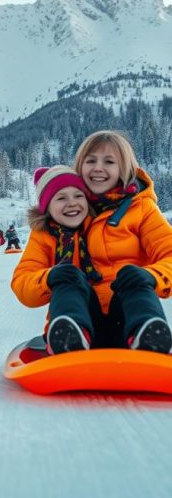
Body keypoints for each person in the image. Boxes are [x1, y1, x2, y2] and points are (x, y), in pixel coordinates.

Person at [72, 130, 172, 354]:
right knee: (72, 280)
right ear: (79, 166)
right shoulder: (66, 211)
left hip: (128, 316)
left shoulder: (143, 209)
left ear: (124, 169)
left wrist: (152, 276)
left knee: (132, 276)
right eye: (90, 161)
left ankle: (147, 336)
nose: (98, 167)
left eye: (109, 161)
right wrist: (53, 278)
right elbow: (27, 274)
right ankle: (71, 336)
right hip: (85, 316)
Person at [11, 165, 99, 354]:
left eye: (78, 195)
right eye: (61, 198)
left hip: (111, 313)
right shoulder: (43, 236)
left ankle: (143, 330)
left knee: (130, 278)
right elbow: (22, 282)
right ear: (47, 208)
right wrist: (49, 277)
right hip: (68, 318)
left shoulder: (102, 226)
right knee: (68, 277)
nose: (72, 203)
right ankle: (69, 334)